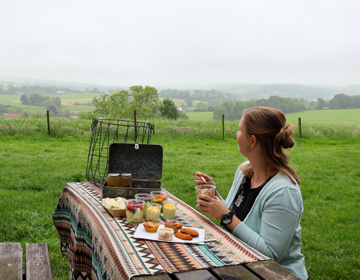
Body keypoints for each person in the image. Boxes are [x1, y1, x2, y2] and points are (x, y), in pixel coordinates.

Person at [195, 106, 308, 280]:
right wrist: (214, 195)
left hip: (275, 274)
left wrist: (225, 216)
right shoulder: (244, 172)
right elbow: (235, 214)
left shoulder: (283, 191)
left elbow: (270, 255)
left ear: (253, 141)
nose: (236, 134)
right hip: (240, 263)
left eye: (240, 130)